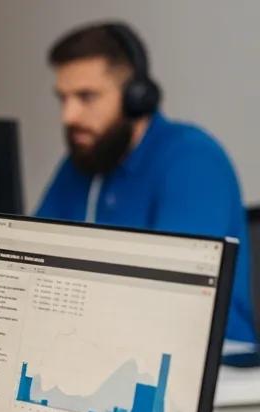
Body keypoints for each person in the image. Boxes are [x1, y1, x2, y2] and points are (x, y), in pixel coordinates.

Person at [37, 21, 254, 343]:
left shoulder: (192, 160)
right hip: (95, 349)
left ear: (136, 98)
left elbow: (174, 301)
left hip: (217, 365)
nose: (69, 116)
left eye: (86, 97)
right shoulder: (81, 163)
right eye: (63, 99)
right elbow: (32, 264)